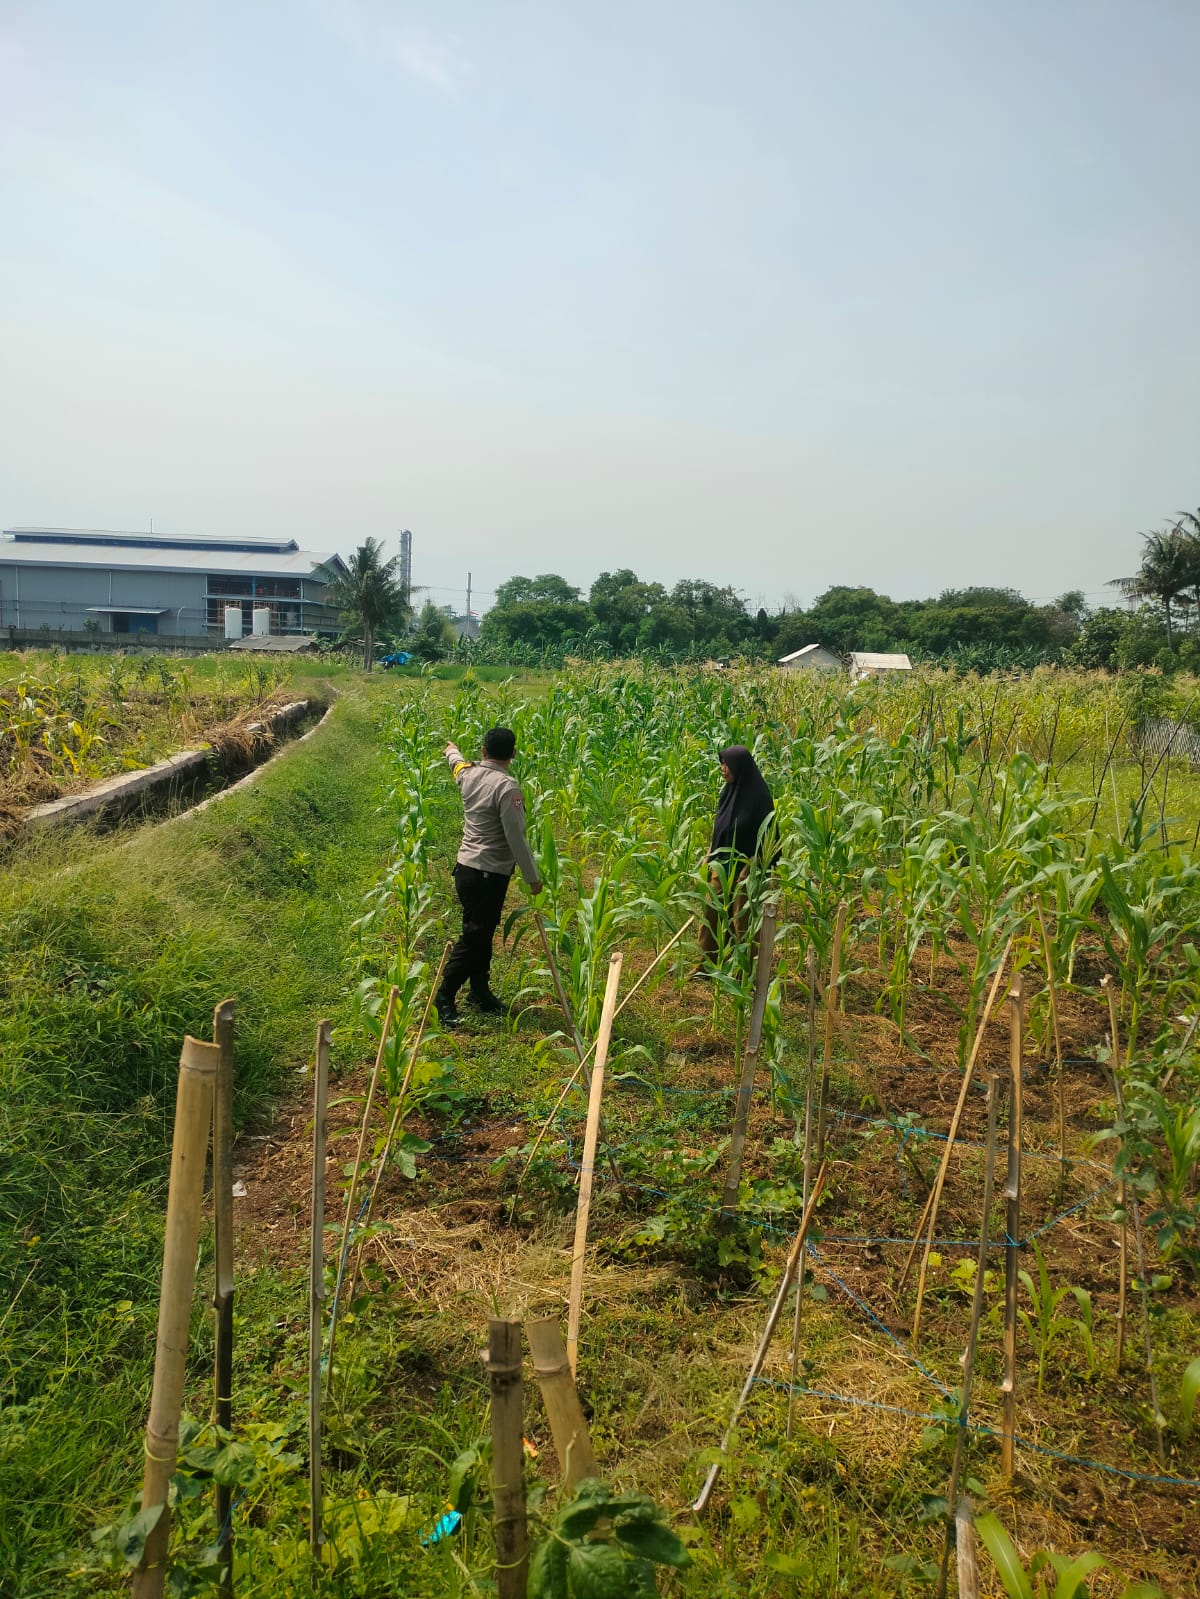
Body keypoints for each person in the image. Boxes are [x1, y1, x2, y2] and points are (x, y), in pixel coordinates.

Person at [436, 726, 542, 1026]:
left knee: (481, 933)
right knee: (474, 938)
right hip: (488, 875)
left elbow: (456, 764)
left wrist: (451, 750)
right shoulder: (507, 788)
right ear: (513, 754)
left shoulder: (468, 774)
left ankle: (479, 991)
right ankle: (444, 997)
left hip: (466, 869)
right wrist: (532, 878)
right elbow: (516, 837)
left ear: (483, 751)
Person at [697, 744, 775, 965]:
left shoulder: (760, 799)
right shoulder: (727, 794)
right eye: (722, 764)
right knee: (710, 913)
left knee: (742, 922)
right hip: (721, 865)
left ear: (740, 767)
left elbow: (768, 838)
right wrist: (709, 855)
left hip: (746, 870)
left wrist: (750, 868)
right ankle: (705, 963)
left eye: (727, 765)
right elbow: (720, 829)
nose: (723, 768)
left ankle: (744, 970)